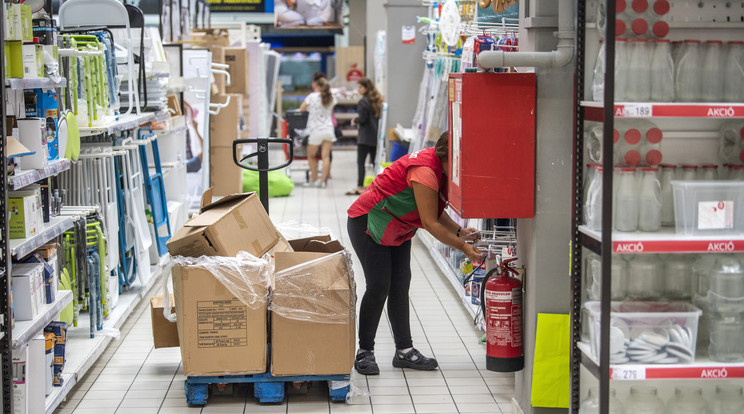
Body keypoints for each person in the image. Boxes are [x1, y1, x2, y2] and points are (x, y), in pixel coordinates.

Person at [347, 131, 484, 375]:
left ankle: (404, 351)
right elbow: (430, 223)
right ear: (449, 157)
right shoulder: (425, 171)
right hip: (370, 221)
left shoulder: (437, 169)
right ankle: (364, 351)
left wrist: (460, 232)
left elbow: (431, 208)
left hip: (398, 224)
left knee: (400, 285)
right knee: (379, 286)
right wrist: (462, 247)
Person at [346, 78, 382, 196]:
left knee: (361, 162)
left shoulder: (363, 102)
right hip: (375, 135)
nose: (358, 89)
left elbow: (363, 118)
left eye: (360, 87)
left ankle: (360, 186)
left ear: (366, 88)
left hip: (365, 136)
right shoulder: (376, 100)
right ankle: (379, 186)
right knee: (374, 162)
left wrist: (354, 120)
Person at [300, 77, 337, 188]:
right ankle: (322, 182)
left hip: (315, 130)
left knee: (311, 156)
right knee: (325, 157)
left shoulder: (312, 96)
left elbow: (301, 109)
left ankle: (315, 180)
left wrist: (310, 109)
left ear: (318, 86)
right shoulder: (332, 98)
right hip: (328, 129)